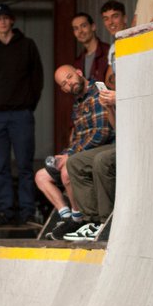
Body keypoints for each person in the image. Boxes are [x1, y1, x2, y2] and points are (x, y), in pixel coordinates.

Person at [35, 66, 115, 240]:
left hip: (101, 148)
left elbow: (102, 132)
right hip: (82, 152)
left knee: (68, 169)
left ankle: (80, 219)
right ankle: (67, 217)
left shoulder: (96, 93)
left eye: (70, 77)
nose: (69, 84)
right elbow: (78, 137)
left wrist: (70, 156)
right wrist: (64, 154)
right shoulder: (77, 104)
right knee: (41, 176)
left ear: (79, 73)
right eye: (64, 84)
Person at [0, 3, 44, 226]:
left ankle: (27, 212)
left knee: (25, 165)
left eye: (5, 18)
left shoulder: (27, 46)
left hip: (21, 114)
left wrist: (28, 105)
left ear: (12, 21)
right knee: (0, 166)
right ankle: (6, 211)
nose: (2, 22)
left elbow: (37, 79)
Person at [64, 88, 117, 242]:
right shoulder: (79, 103)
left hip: (138, 141)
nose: (68, 85)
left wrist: (119, 99)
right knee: (75, 162)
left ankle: (105, 222)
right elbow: (117, 127)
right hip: (120, 141)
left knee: (101, 160)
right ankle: (92, 221)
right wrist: (108, 107)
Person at [72, 12, 110, 82]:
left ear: (93, 27)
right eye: (76, 28)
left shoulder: (108, 52)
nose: (80, 31)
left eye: (83, 26)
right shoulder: (78, 62)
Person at [101, 0, 128, 88]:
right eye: (106, 19)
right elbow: (108, 83)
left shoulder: (135, 40)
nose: (110, 22)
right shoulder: (113, 47)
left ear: (125, 18)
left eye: (115, 16)